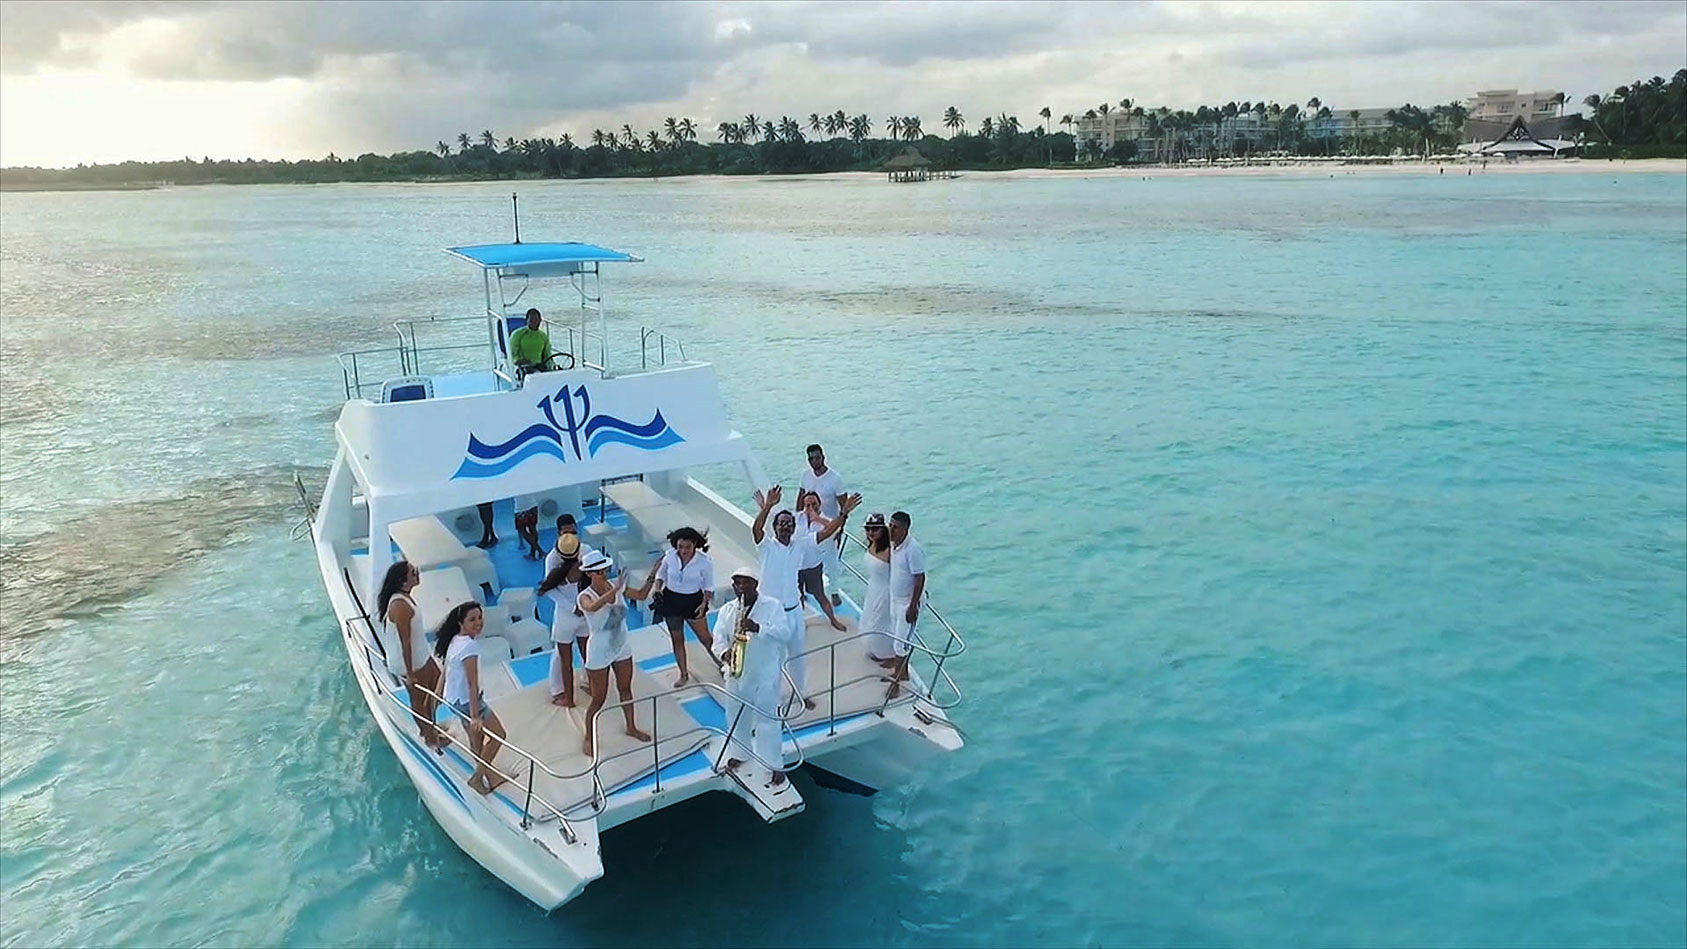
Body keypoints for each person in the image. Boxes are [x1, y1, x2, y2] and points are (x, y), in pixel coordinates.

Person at [750, 484, 861, 711]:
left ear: (793, 528)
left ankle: (801, 693)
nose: (785, 527)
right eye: (781, 523)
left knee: (798, 657)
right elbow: (756, 529)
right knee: (773, 659)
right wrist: (768, 506)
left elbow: (827, 532)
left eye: (789, 524)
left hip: (793, 612)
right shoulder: (767, 546)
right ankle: (774, 699)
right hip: (771, 615)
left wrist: (843, 513)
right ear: (775, 527)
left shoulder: (800, 544)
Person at [710, 566, 790, 788]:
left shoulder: (772, 606)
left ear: (755, 584)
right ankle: (740, 753)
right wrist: (724, 654)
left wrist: (758, 628)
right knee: (735, 716)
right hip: (737, 673)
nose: (741, 587)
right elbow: (718, 639)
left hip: (765, 673)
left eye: (746, 582)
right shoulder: (727, 610)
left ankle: (774, 764)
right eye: (737, 583)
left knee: (768, 721)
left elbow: (784, 634)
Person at [576, 552, 653, 757]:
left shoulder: (615, 586)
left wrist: (654, 574)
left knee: (625, 689)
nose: (603, 574)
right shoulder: (584, 596)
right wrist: (615, 590)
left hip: (620, 645)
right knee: (598, 699)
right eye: (599, 572)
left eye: (604, 570)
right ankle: (588, 737)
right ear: (590, 574)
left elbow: (641, 595)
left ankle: (631, 727)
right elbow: (592, 607)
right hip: (599, 650)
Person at [434, 601, 508, 794]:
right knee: (499, 735)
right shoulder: (469, 647)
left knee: (477, 740)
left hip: (455, 701)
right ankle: (477, 778)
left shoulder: (455, 640)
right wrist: (475, 716)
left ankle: (489, 776)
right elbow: (472, 684)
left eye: (480, 617)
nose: (478, 622)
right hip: (468, 703)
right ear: (461, 623)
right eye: (472, 619)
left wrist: (438, 695)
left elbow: (446, 670)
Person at [377, 560, 444, 751]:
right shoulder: (400, 606)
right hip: (410, 661)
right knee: (420, 700)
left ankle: (430, 727)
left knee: (438, 685)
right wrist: (410, 674)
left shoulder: (406, 598)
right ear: (403, 580)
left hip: (421, 654)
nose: (417, 573)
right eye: (413, 572)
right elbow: (404, 641)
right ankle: (429, 737)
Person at [640, 526, 716, 688]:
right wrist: (657, 588)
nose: (683, 551)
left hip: (693, 602)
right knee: (677, 639)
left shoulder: (704, 562)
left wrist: (704, 605)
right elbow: (661, 575)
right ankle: (683, 674)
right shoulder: (669, 556)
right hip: (671, 600)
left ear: (695, 545)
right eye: (680, 547)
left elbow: (708, 587)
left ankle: (722, 664)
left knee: (705, 638)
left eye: (687, 547)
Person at [538, 537, 586, 707]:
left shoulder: (555, 570)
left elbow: (549, 591)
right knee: (586, 653)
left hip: (566, 616)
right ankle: (589, 685)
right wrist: (580, 607)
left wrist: (572, 608)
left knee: (565, 661)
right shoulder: (584, 562)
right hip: (584, 612)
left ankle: (569, 698)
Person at [799, 443, 846, 605]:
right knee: (804, 557)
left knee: (831, 560)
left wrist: (840, 529)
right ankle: (802, 590)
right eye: (811, 458)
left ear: (823, 457)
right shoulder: (805, 475)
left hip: (829, 525)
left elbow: (844, 506)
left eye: (817, 457)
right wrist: (799, 520)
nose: (814, 461)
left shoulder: (835, 478)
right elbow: (800, 497)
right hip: (809, 525)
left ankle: (834, 592)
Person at [795, 490, 849, 631]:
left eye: (814, 504)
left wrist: (817, 518)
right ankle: (800, 622)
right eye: (807, 505)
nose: (810, 508)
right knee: (798, 596)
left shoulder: (825, 520)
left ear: (819, 504)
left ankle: (833, 620)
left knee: (820, 595)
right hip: (796, 566)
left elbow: (833, 529)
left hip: (813, 565)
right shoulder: (797, 518)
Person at [887, 510, 927, 694]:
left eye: (895, 527)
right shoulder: (894, 545)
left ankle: (895, 684)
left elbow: (919, 578)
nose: (891, 530)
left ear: (905, 529)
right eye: (890, 526)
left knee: (900, 644)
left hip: (907, 603)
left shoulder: (913, 549)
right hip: (895, 599)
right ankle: (902, 674)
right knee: (896, 637)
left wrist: (912, 606)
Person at [858, 513, 898, 666]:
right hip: (873, 589)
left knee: (880, 623)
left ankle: (891, 655)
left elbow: (900, 573)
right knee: (869, 619)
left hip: (885, 592)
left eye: (875, 529)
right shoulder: (871, 544)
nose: (871, 532)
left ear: (883, 530)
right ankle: (876, 650)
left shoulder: (890, 551)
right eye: (868, 529)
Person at [509, 308, 554, 378]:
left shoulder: (543, 336)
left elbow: (547, 355)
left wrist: (551, 367)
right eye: (531, 320)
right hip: (522, 368)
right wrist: (519, 361)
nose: (534, 322)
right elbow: (512, 353)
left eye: (536, 320)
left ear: (540, 320)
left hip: (539, 367)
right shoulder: (517, 334)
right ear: (526, 320)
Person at [514, 494, 542, 559]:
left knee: (522, 530)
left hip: (520, 508)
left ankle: (539, 550)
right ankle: (533, 553)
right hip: (532, 504)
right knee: (533, 529)